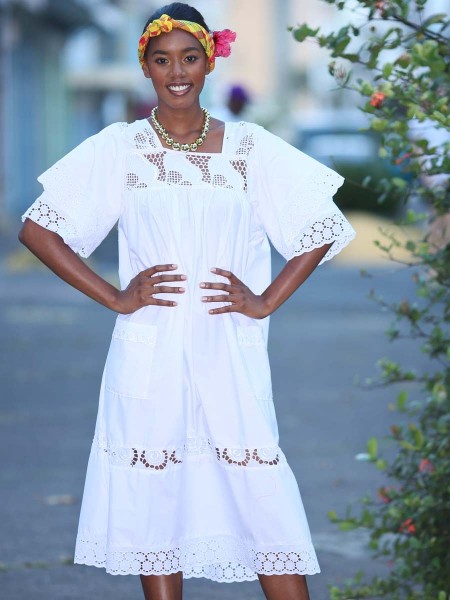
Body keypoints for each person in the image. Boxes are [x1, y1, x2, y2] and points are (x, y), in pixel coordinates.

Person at [18, 3, 356, 599]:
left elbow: (319, 225)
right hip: (150, 352)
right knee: (156, 510)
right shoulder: (120, 148)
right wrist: (115, 296)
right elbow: (38, 230)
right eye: (162, 59)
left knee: (264, 504)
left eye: (190, 58)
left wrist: (266, 300)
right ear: (145, 66)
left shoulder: (249, 147)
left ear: (209, 62)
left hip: (229, 350)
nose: (177, 72)